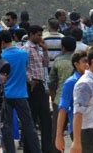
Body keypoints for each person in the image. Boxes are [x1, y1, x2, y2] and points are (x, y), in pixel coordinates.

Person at [0, 30, 41, 153]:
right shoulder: (23, 54)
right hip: (21, 94)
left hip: (6, 94)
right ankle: (36, 150)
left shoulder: (1, 57)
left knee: (6, 127)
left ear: (1, 42)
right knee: (29, 125)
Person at [24, 25, 52, 153]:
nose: (40, 37)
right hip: (32, 86)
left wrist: (45, 50)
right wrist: (29, 80)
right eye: (38, 35)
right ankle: (29, 149)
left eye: (41, 35)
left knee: (45, 118)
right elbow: (24, 67)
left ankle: (47, 149)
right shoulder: (26, 49)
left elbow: (46, 64)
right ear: (31, 35)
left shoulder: (39, 48)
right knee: (32, 118)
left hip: (41, 85)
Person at [55, 51, 88, 152]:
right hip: (78, 129)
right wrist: (59, 136)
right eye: (84, 61)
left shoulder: (92, 80)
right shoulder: (71, 82)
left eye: (89, 61)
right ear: (76, 64)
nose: (87, 64)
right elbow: (62, 109)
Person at [49, 36, 76, 153]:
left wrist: (53, 96)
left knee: (57, 130)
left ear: (63, 47)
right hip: (77, 100)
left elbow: (51, 82)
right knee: (76, 129)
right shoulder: (80, 60)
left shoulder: (58, 60)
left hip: (59, 100)